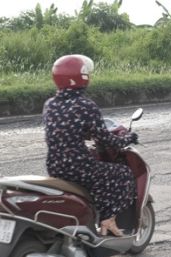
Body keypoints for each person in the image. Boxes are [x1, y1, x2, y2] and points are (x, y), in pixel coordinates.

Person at [43, 54, 139, 237]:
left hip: (54, 166)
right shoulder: (86, 105)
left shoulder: (50, 104)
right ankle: (108, 220)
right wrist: (128, 139)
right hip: (79, 167)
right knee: (123, 174)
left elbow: (63, 129)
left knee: (99, 176)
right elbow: (106, 139)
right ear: (82, 77)